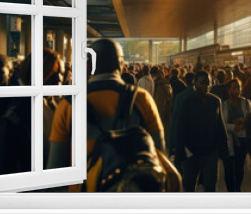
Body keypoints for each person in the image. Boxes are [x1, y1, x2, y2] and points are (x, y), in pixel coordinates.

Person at [47, 39, 166, 192]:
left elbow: (55, 169)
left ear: (89, 66)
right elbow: (160, 155)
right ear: (121, 64)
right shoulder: (142, 100)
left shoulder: (68, 105)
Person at [175, 71, 229, 192]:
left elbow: (220, 125)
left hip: (211, 151)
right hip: (192, 151)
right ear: (195, 84)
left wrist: (224, 149)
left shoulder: (215, 101)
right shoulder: (187, 102)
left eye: (208, 83)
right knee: (189, 185)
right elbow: (181, 128)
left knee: (210, 186)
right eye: (202, 83)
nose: (206, 86)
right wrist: (179, 154)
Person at [222, 79, 251, 192]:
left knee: (239, 167)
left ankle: (237, 189)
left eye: (239, 87)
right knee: (229, 167)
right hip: (229, 140)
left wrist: (243, 121)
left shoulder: (246, 103)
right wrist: (233, 126)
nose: (237, 90)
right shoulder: (224, 105)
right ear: (229, 90)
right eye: (234, 87)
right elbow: (223, 123)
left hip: (242, 139)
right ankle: (230, 190)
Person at [151, 66, 173, 144]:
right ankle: (167, 141)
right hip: (168, 104)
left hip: (160, 104)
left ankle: (160, 141)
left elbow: (157, 97)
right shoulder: (166, 82)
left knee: (160, 123)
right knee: (167, 124)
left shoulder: (157, 83)